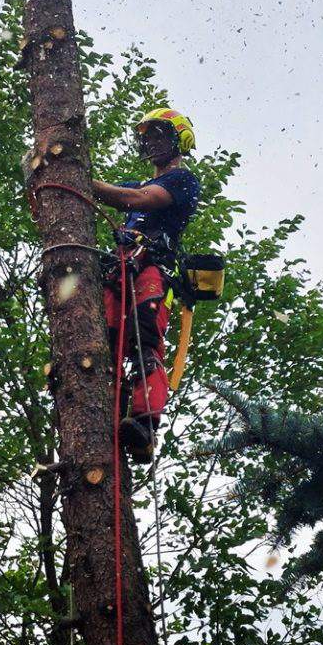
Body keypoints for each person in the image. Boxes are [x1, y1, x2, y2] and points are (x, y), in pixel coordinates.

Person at [91, 108, 200, 462]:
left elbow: (140, 200)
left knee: (144, 337)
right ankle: (104, 407)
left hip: (152, 268)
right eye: (147, 137)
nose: (151, 143)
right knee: (102, 337)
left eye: (159, 135)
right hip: (119, 267)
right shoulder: (135, 184)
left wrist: (83, 181)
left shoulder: (182, 181)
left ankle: (144, 424)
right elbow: (114, 191)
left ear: (179, 140)